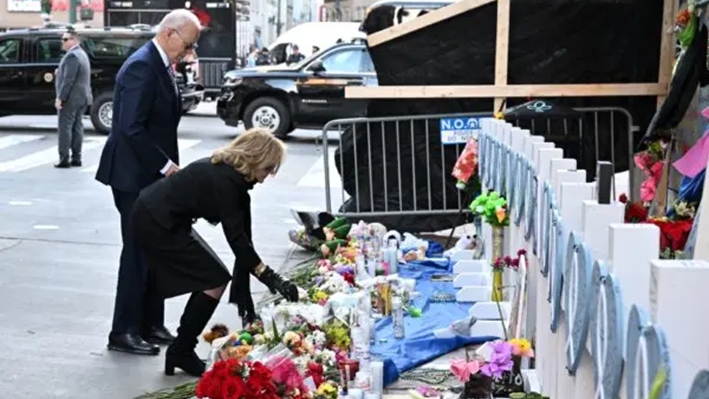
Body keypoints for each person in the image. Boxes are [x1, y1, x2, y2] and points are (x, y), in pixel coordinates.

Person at [131, 128, 300, 377]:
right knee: (214, 279)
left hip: (161, 215)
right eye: (267, 169)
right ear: (256, 158)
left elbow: (242, 239)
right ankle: (181, 350)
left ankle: (181, 349)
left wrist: (266, 275)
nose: (266, 178)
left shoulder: (231, 176)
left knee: (213, 277)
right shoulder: (227, 181)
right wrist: (271, 277)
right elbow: (237, 240)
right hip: (155, 220)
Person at [95, 9, 202, 356]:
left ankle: (150, 324)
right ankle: (124, 330)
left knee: (155, 249)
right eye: (187, 46)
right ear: (170, 34)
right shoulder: (142, 65)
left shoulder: (162, 64)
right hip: (133, 174)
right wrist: (167, 166)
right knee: (138, 251)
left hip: (150, 173)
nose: (188, 54)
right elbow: (131, 127)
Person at [54, 28, 92, 168]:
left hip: (71, 98)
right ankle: (77, 157)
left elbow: (68, 80)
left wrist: (60, 98)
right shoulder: (82, 54)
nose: (62, 42)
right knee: (77, 127)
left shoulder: (72, 56)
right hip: (82, 97)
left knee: (65, 127)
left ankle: (64, 159)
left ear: (74, 40)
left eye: (65, 39)